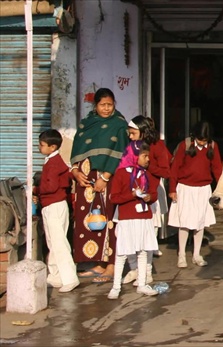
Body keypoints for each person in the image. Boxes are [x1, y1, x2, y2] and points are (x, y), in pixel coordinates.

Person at [70, 88, 129, 283]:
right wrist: (76, 172)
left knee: (109, 220)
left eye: (109, 105)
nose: (106, 109)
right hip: (84, 181)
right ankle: (99, 263)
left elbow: (121, 152)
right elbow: (78, 151)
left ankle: (112, 265)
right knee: (90, 221)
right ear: (95, 105)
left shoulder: (119, 125)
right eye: (102, 105)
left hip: (108, 179)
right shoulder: (87, 123)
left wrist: (105, 177)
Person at [121, 115, 172, 286]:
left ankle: (147, 272)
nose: (130, 136)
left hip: (149, 195)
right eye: (130, 133)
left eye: (133, 133)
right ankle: (134, 268)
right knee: (127, 233)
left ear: (143, 132)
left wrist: (146, 165)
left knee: (146, 236)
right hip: (131, 195)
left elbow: (166, 172)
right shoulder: (130, 146)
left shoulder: (157, 146)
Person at [108, 140, 159, 299]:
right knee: (122, 252)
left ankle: (142, 283)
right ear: (134, 155)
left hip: (143, 218)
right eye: (144, 156)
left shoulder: (146, 174)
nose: (148, 159)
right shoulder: (121, 174)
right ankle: (116, 286)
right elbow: (113, 198)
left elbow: (153, 193)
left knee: (144, 251)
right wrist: (132, 195)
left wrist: (149, 197)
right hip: (127, 219)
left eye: (148, 156)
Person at [168, 120, 223, 268]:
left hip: (203, 189)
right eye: (199, 139)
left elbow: (217, 168)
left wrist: (221, 190)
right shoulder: (184, 145)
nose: (201, 142)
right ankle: (181, 255)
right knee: (184, 223)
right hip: (185, 188)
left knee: (200, 224)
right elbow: (175, 169)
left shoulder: (212, 146)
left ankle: (197, 254)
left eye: (204, 140)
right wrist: (172, 189)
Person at [37, 129, 79, 292]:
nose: (39, 148)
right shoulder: (52, 161)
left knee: (59, 243)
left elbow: (51, 185)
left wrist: (38, 189)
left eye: (42, 145)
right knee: (52, 242)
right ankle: (55, 275)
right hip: (52, 205)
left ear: (52, 147)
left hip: (54, 205)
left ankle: (69, 277)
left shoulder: (54, 163)